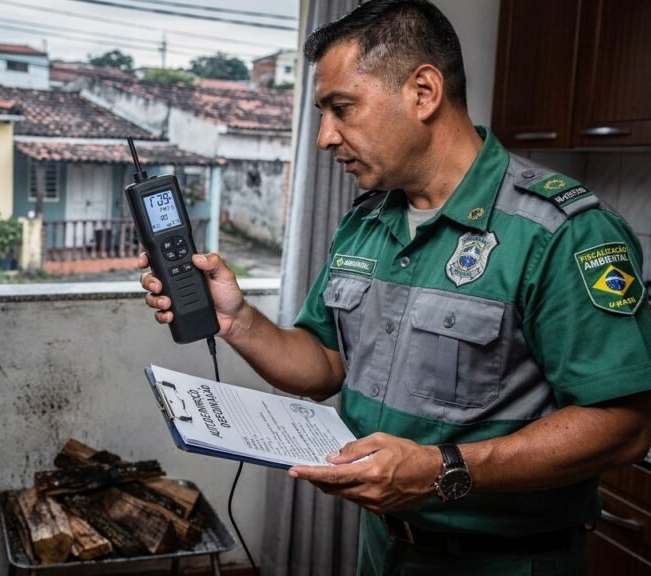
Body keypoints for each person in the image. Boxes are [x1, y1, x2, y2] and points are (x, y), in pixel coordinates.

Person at [138, 0, 651, 573]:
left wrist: (442, 468)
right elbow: (324, 365)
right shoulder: (367, 221)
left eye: (342, 108)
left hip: (507, 561)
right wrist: (237, 321)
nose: (325, 138)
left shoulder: (562, 232)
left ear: (424, 92)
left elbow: (623, 426)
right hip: (384, 550)